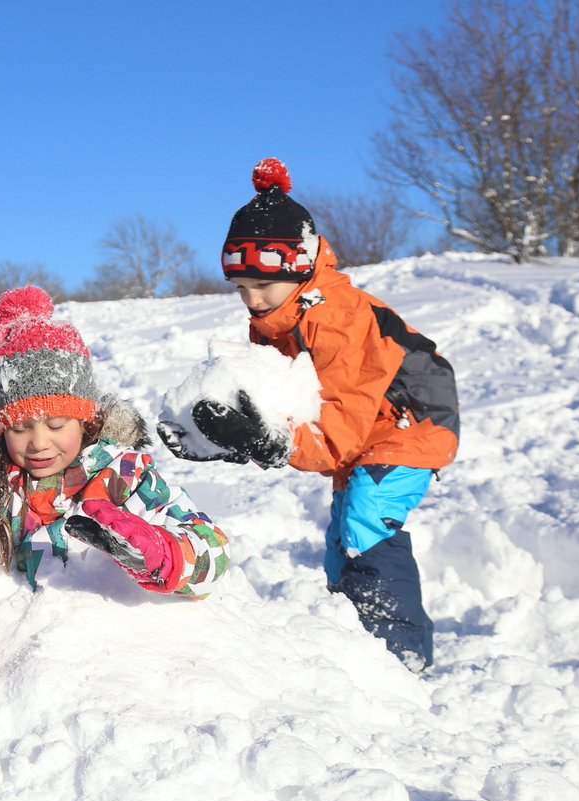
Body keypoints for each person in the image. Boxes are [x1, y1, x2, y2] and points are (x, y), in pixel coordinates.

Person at [157, 159, 459, 671]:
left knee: (367, 522)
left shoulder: (337, 320)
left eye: (262, 287)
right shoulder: (274, 318)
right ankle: (351, 644)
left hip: (408, 424)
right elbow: (277, 409)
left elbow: (331, 438)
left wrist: (268, 442)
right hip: (360, 432)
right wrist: (223, 439)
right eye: (240, 288)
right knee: (343, 534)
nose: (251, 301)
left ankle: (398, 652)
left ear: (296, 268)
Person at [0, 286, 231, 614]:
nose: (38, 442)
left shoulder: (127, 480)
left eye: (56, 425)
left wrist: (165, 557)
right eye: (19, 427)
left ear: (85, 421)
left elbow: (212, 550)